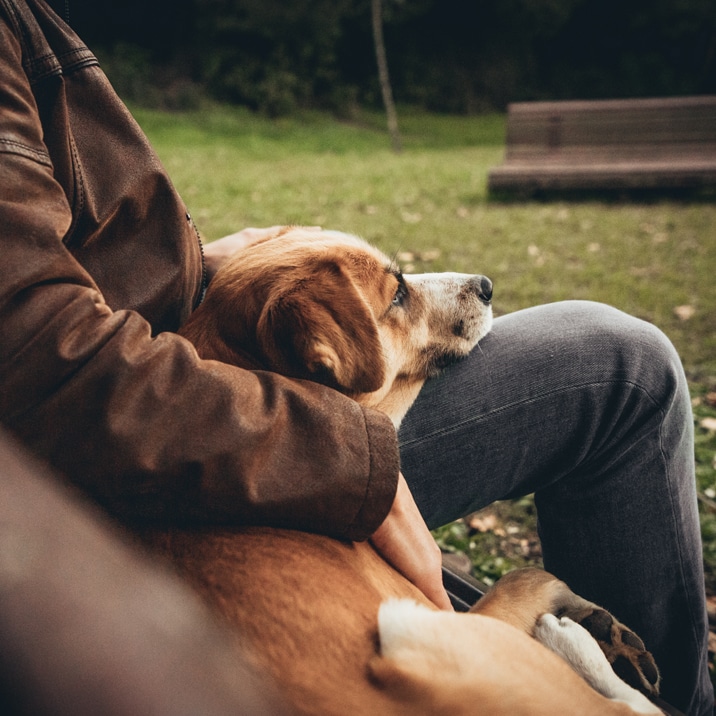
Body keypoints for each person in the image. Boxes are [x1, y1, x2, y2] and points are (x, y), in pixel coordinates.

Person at [0, 0, 711, 712]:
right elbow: (40, 354)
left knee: (618, 356)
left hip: (195, 400)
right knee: (625, 371)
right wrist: (348, 458)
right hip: (199, 439)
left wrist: (200, 265)